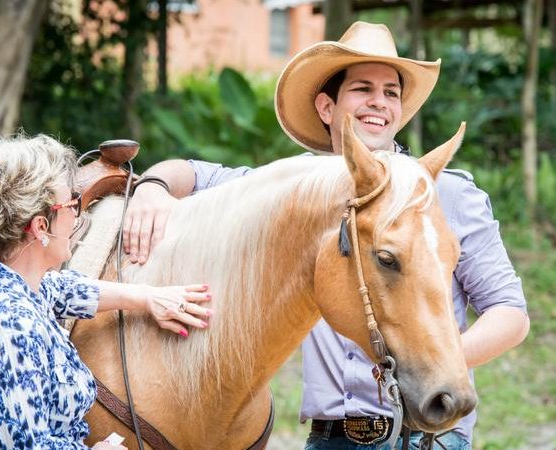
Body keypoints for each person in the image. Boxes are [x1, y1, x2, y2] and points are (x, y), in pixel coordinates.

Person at [123, 22, 529, 450]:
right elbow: (197, 173)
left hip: (427, 437)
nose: (379, 102)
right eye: (362, 89)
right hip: (332, 439)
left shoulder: (448, 192)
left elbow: (510, 313)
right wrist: (153, 186)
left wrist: (430, 361)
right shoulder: (298, 195)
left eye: (392, 92)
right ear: (326, 106)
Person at [0, 135, 213, 449]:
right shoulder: (10, 327)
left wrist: (146, 296)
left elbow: (62, 289)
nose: (78, 215)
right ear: (41, 227)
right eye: (71, 204)